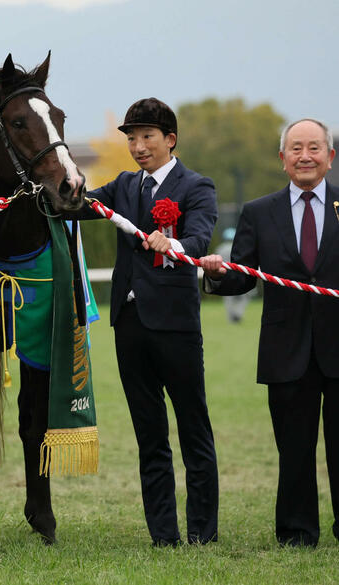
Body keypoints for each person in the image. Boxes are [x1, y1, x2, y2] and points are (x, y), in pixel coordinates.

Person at [83, 98, 219, 546]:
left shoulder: (197, 186)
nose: (138, 147)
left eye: (147, 137)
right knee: (149, 434)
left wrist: (175, 244)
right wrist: (49, 179)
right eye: (131, 139)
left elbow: (200, 235)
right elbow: (75, 206)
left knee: (193, 429)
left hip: (176, 326)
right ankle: (163, 534)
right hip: (129, 324)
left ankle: (202, 532)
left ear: (170, 140)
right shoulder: (122, 186)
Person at [201, 118, 339, 547]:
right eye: (295, 148)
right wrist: (216, 275)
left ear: (330, 157)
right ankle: (298, 532)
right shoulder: (258, 213)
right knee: (294, 450)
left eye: (314, 147)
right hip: (286, 351)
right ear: (282, 159)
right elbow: (243, 276)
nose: (305, 156)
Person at [213, 227, 256, 323]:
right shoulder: (240, 247)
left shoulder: (220, 248)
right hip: (239, 275)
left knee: (228, 298)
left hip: (225, 277)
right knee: (244, 296)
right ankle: (238, 314)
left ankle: (231, 317)